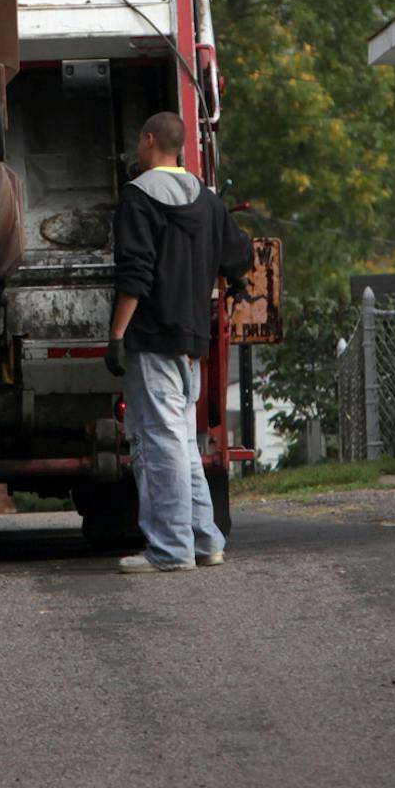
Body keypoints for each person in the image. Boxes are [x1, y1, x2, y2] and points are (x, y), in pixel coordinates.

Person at [105, 110, 255, 573]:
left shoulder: (138, 197)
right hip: (194, 338)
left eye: (139, 140)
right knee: (183, 442)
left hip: (153, 337)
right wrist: (235, 278)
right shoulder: (207, 200)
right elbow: (241, 254)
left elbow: (136, 274)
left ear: (150, 141)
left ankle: (170, 550)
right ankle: (206, 540)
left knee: (160, 442)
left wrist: (116, 334)